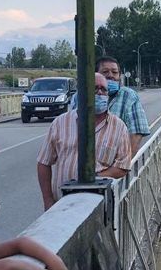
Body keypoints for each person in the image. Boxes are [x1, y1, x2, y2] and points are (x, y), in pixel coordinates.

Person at [37, 73, 131, 210]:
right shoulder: (60, 123)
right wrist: (48, 200)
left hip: (99, 207)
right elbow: (43, 163)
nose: (99, 93)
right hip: (62, 205)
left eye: (103, 89)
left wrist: (90, 180)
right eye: (94, 88)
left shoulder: (119, 127)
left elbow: (122, 167)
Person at [96, 56, 150, 152]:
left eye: (114, 72)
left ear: (119, 75)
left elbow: (136, 133)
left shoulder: (128, 96)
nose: (110, 75)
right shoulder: (81, 96)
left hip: (114, 162)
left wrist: (122, 164)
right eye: (105, 72)